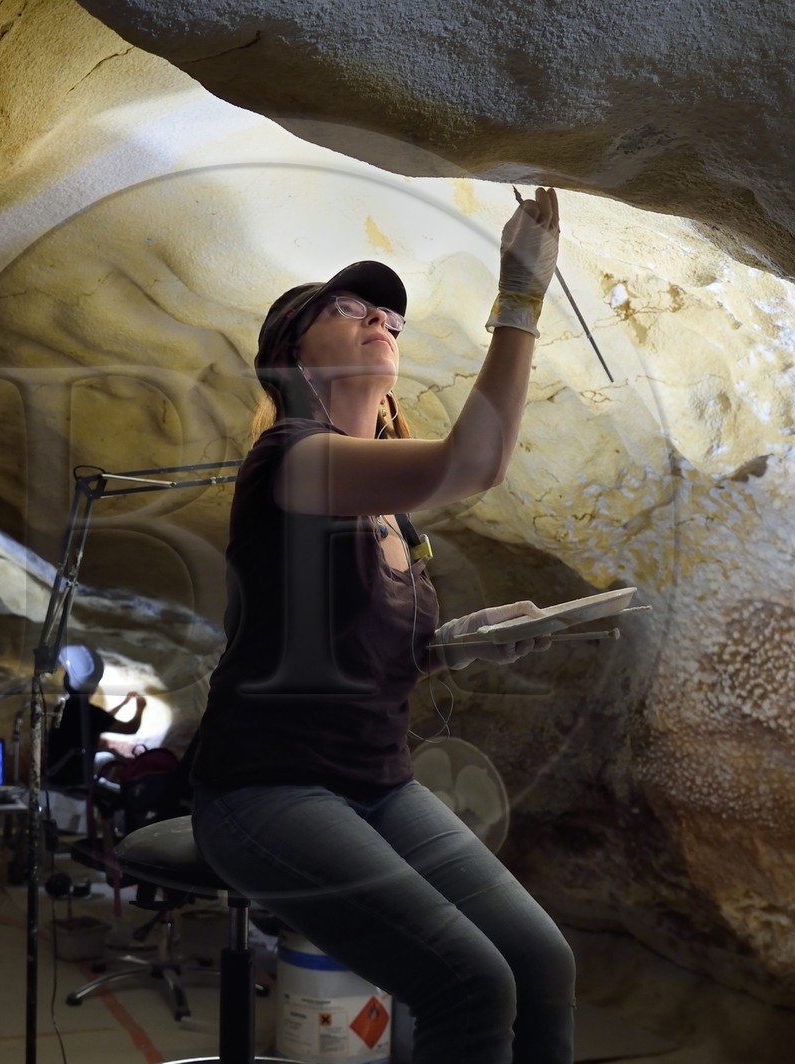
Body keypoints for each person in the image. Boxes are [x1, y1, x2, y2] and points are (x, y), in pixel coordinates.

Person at [189, 188, 576, 1063]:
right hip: (266, 788)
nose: (380, 320)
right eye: (350, 308)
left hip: (377, 782)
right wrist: (521, 295)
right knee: (471, 985)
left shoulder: (393, 515)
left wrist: (465, 640)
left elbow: (367, 646)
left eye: (390, 316)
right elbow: (476, 461)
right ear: (290, 354)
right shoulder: (290, 458)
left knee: (540, 961)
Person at [46, 643, 147, 788]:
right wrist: (140, 708)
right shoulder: (90, 713)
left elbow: (103, 720)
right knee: (109, 759)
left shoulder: (65, 708)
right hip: (74, 781)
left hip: (59, 774)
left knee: (106, 756)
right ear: (93, 687)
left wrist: (124, 703)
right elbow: (130, 728)